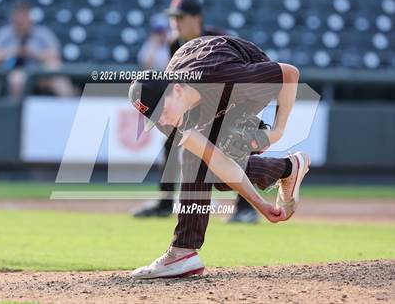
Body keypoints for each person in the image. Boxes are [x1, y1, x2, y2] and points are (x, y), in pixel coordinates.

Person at [128, 35, 310, 278]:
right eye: (154, 117)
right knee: (207, 168)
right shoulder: (170, 116)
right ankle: (287, 168)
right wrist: (261, 204)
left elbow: (289, 74)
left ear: (178, 90)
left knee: (209, 158)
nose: (162, 120)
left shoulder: (222, 76)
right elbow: (216, 161)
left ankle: (181, 252)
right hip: (210, 92)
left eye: (162, 111)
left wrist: (277, 131)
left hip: (244, 80)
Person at [133, 0, 260, 223]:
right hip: (198, 106)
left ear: (196, 18)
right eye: (173, 17)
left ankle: (245, 208)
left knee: (236, 146)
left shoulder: (216, 39)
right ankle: (164, 203)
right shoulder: (175, 43)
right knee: (171, 141)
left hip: (232, 101)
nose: (175, 22)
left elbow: (240, 73)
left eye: (180, 17)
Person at [0, 2, 74, 99]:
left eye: (24, 17)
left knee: (56, 68)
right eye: (18, 17)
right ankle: (16, 112)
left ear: (30, 18)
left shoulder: (42, 33)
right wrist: (13, 51)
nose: (21, 21)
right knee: (17, 80)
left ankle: (70, 107)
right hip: (14, 71)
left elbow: (55, 55)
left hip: (39, 71)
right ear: (13, 18)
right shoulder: (5, 33)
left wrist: (34, 54)